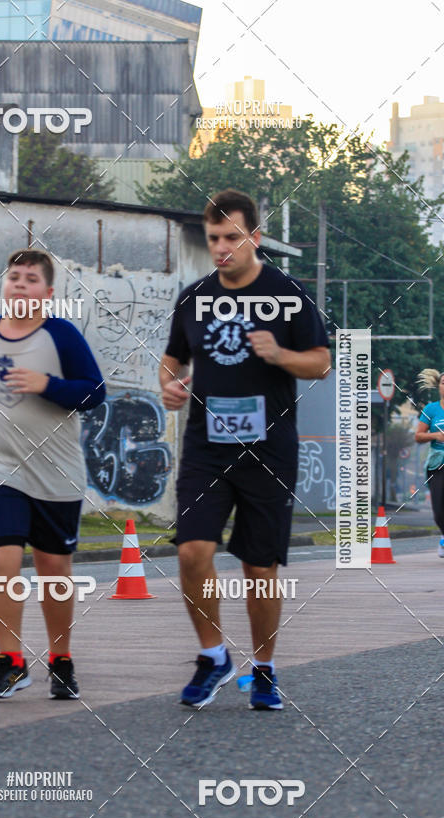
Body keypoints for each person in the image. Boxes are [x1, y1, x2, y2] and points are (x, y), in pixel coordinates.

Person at [159, 189, 331, 710]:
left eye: (232, 238)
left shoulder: (288, 294)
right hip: (206, 446)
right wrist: (169, 386)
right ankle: (213, 656)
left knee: (259, 568)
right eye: (214, 239)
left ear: (254, 237)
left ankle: (264, 667)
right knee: (192, 550)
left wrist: (280, 354)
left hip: (268, 449)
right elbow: (172, 361)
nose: (222, 249)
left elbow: (321, 363)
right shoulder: (193, 298)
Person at [0, 249, 105, 700]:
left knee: (53, 569)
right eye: (14, 277)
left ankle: (61, 659)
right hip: (3, 467)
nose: (20, 284)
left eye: (30, 279)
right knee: (0, 560)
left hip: (57, 472)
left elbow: (95, 392)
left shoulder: (60, 335)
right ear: (4, 285)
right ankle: (11, 661)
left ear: (47, 292)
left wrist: (48, 385)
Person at [414, 368, 444, 557]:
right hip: (437, 465)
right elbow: (418, 436)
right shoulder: (431, 409)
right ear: (438, 386)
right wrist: (436, 436)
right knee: (439, 510)